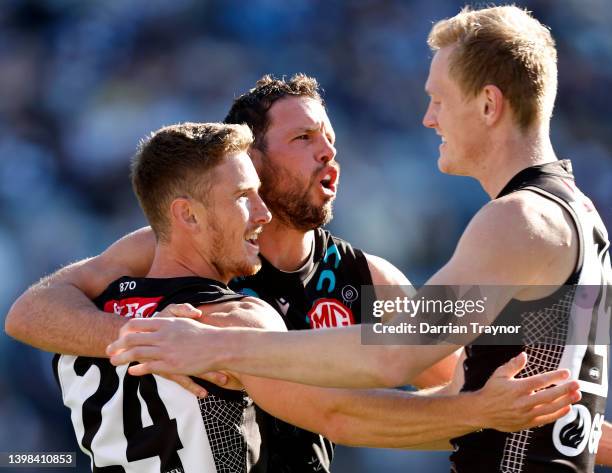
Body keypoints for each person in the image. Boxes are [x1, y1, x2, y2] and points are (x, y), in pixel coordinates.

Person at [103, 6, 612, 473]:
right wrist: (473, 407)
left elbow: (394, 354)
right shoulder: (578, 216)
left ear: (487, 104)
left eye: (438, 100)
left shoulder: (518, 219)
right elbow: (514, 394)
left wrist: (213, 346)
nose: (428, 118)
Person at [5, 74, 580, 470]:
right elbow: (30, 311)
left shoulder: (369, 276)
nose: (327, 153)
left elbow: (462, 373)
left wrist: (580, 432)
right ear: (249, 162)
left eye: (330, 138)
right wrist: (156, 342)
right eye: (303, 139)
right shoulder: (190, 253)